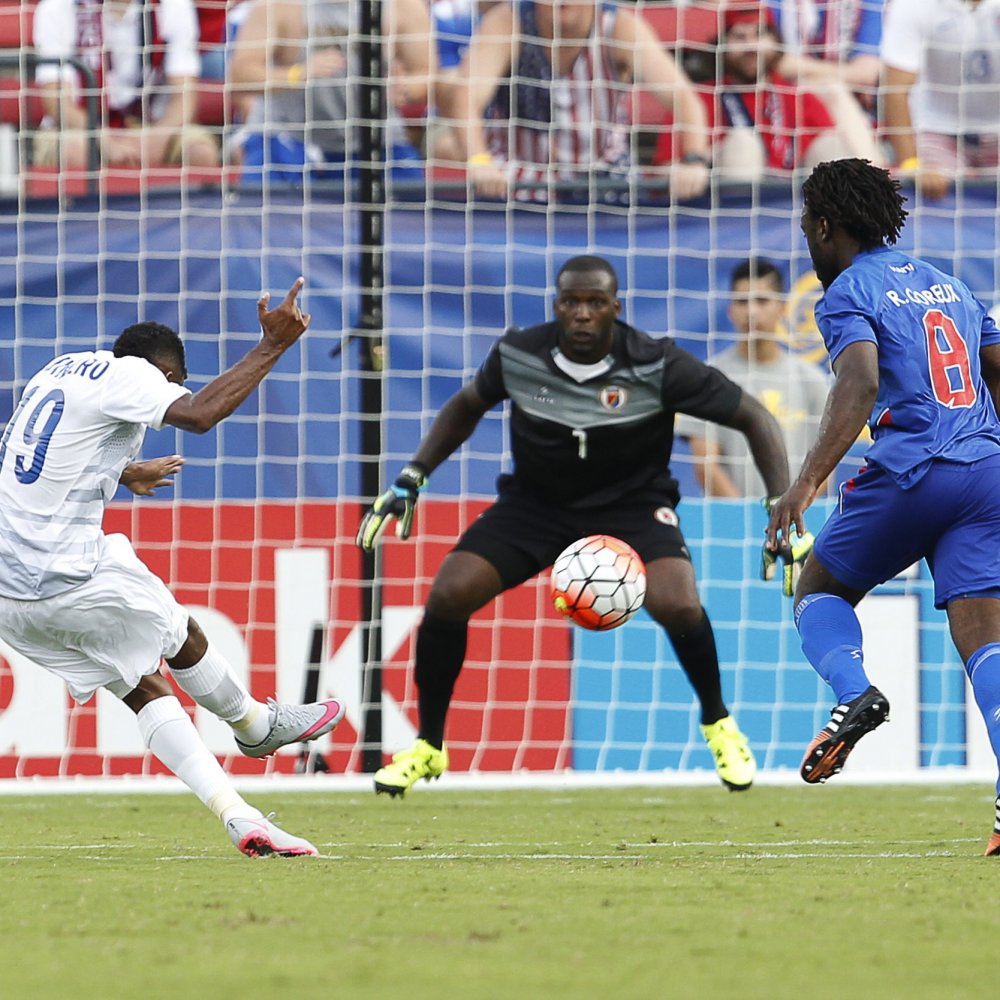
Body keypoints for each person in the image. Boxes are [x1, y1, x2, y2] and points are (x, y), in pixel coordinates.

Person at [358, 254, 804, 798]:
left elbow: (754, 416)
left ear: (616, 308)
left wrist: (781, 502)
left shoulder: (655, 362)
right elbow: (467, 405)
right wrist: (413, 474)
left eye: (596, 303)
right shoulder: (519, 355)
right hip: (536, 506)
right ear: (557, 306)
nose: (583, 314)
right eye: (572, 302)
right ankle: (429, 747)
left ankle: (719, 723)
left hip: (633, 505)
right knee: (449, 593)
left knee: (680, 603)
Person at [0, 277, 346, 858]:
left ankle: (240, 816)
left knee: (143, 685)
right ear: (165, 376)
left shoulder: (57, 370)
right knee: (180, 630)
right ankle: (257, 726)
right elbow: (201, 414)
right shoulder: (137, 377)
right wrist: (272, 346)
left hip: (8, 593)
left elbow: (32, 456)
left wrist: (120, 472)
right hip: (60, 571)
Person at [765, 158, 1000, 856]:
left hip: (910, 470)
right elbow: (996, 370)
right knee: (986, 642)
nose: (806, 237)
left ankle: (854, 690)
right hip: (986, 473)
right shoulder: (951, 285)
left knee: (819, 589)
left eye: (807, 224)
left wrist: (804, 485)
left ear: (826, 224)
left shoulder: (843, 292)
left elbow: (860, 381)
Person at [440, 0, 712, 202]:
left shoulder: (620, 26)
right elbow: (465, 98)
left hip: (605, 174)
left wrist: (693, 159)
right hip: (518, 176)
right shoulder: (508, 21)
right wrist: (479, 161)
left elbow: (685, 100)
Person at [669, 2, 879, 183]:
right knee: (743, 146)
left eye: (759, 35)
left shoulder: (798, 96)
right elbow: (663, 168)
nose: (751, 46)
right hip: (724, 214)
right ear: (721, 45)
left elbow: (827, 148)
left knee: (831, 146)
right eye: (739, 37)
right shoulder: (701, 98)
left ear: (775, 42)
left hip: (792, 210)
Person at [227, 0, 433, 184]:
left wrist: (404, 88)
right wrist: (297, 74)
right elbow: (240, 75)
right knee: (269, 215)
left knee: (411, 215)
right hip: (289, 137)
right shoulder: (278, 6)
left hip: (375, 138)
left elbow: (426, 72)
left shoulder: (403, 6)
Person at [677, 258, 830, 497]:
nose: (751, 311)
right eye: (742, 302)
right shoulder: (707, 378)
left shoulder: (813, 380)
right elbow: (706, 466)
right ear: (730, 310)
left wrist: (791, 513)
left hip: (800, 524)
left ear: (782, 307)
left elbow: (825, 467)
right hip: (732, 525)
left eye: (761, 300)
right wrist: (748, 517)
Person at [31, 0, 221, 170]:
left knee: (200, 152)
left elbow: (185, 96)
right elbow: (57, 103)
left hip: (152, 125)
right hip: (80, 128)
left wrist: (156, 138)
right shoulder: (57, 7)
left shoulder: (173, 5)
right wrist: (104, 140)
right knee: (75, 152)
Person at [881, 0, 1000, 202]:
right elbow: (895, 90)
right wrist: (912, 164)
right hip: (937, 131)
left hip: (996, 131)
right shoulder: (913, 6)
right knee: (937, 202)